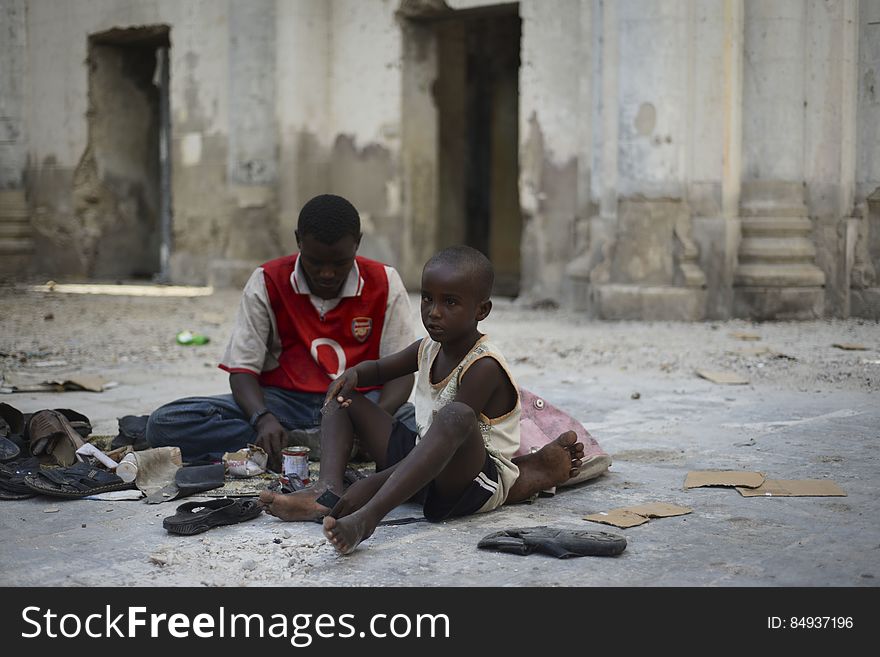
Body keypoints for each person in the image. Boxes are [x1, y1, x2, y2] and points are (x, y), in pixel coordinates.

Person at [260, 245, 585, 554]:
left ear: (481, 310)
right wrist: (354, 375)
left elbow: (451, 440)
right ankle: (325, 492)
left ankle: (367, 518)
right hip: (424, 457)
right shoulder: (428, 348)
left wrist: (369, 486)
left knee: (455, 415)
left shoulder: (483, 366)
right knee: (343, 399)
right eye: (428, 299)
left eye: (450, 303)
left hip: (471, 480)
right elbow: (377, 370)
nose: (434, 313)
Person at [145, 194, 416, 472]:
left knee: (421, 423)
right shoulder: (267, 280)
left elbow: (403, 370)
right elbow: (242, 371)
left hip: (356, 403)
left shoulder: (385, 281)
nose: (326, 274)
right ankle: (311, 442)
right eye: (315, 262)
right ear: (298, 240)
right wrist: (262, 418)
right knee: (164, 423)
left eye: (339, 263)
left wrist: (376, 419)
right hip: (284, 404)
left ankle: (302, 445)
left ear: (357, 243)